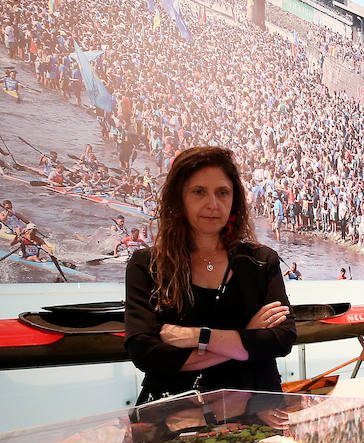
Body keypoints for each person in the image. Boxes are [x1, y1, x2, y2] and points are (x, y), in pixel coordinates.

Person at [124, 146, 296, 404]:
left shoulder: (260, 262)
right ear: (178, 198)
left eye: (222, 193)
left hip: (257, 409)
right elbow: (146, 353)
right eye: (199, 192)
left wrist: (197, 337)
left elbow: (281, 339)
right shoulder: (147, 265)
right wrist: (246, 335)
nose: (212, 205)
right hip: (174, 413)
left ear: (234, 199)